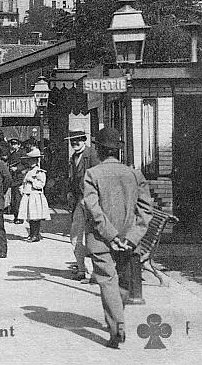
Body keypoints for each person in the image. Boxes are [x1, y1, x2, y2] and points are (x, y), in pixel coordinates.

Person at [82, 127, 152, 349]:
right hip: (129, 239)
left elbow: (93, 210)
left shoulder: (92, 174)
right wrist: (131, 238)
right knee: (121, 282)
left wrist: (110, 235)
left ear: (100, 150)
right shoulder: (134, 174)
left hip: (101, 240)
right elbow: (145, 211)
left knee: (107, 281)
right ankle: (117, 317)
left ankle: (117, 327)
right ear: (118, 151)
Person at [65, 130, 100, 282]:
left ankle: (93, 273)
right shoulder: (73, 157)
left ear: (84, 140)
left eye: (78, 141)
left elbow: (99, 179)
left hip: (91, 201)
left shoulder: (92, 155)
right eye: (72, 142)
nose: (75, 144)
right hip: (79, 200)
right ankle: (81, 269)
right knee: (75, 235)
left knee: (92, 237)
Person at [17, 147, 51, 242]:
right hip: (28, 195)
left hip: (35, 196)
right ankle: (32, 234)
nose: (31, 162)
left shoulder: (39, 172)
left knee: (35, 217)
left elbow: (40, 185)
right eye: (30, 160)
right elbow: (24, 183)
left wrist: (32, 180)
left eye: (33, 160)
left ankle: (35, 235)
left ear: (37, 161)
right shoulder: (28, 171)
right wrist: (22, 188)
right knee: (30, 216)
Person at [7, 138, 25, 224]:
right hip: (13, 178)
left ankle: (20, 217)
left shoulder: (22, 153)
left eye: (15, 144)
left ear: (19, 145)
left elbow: (26, 165)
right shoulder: (12, 154)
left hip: (19, 178)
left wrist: (17, 168)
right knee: (14, 199)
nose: (13, 145)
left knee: (18, 199)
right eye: (12, 144)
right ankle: (16, 216)